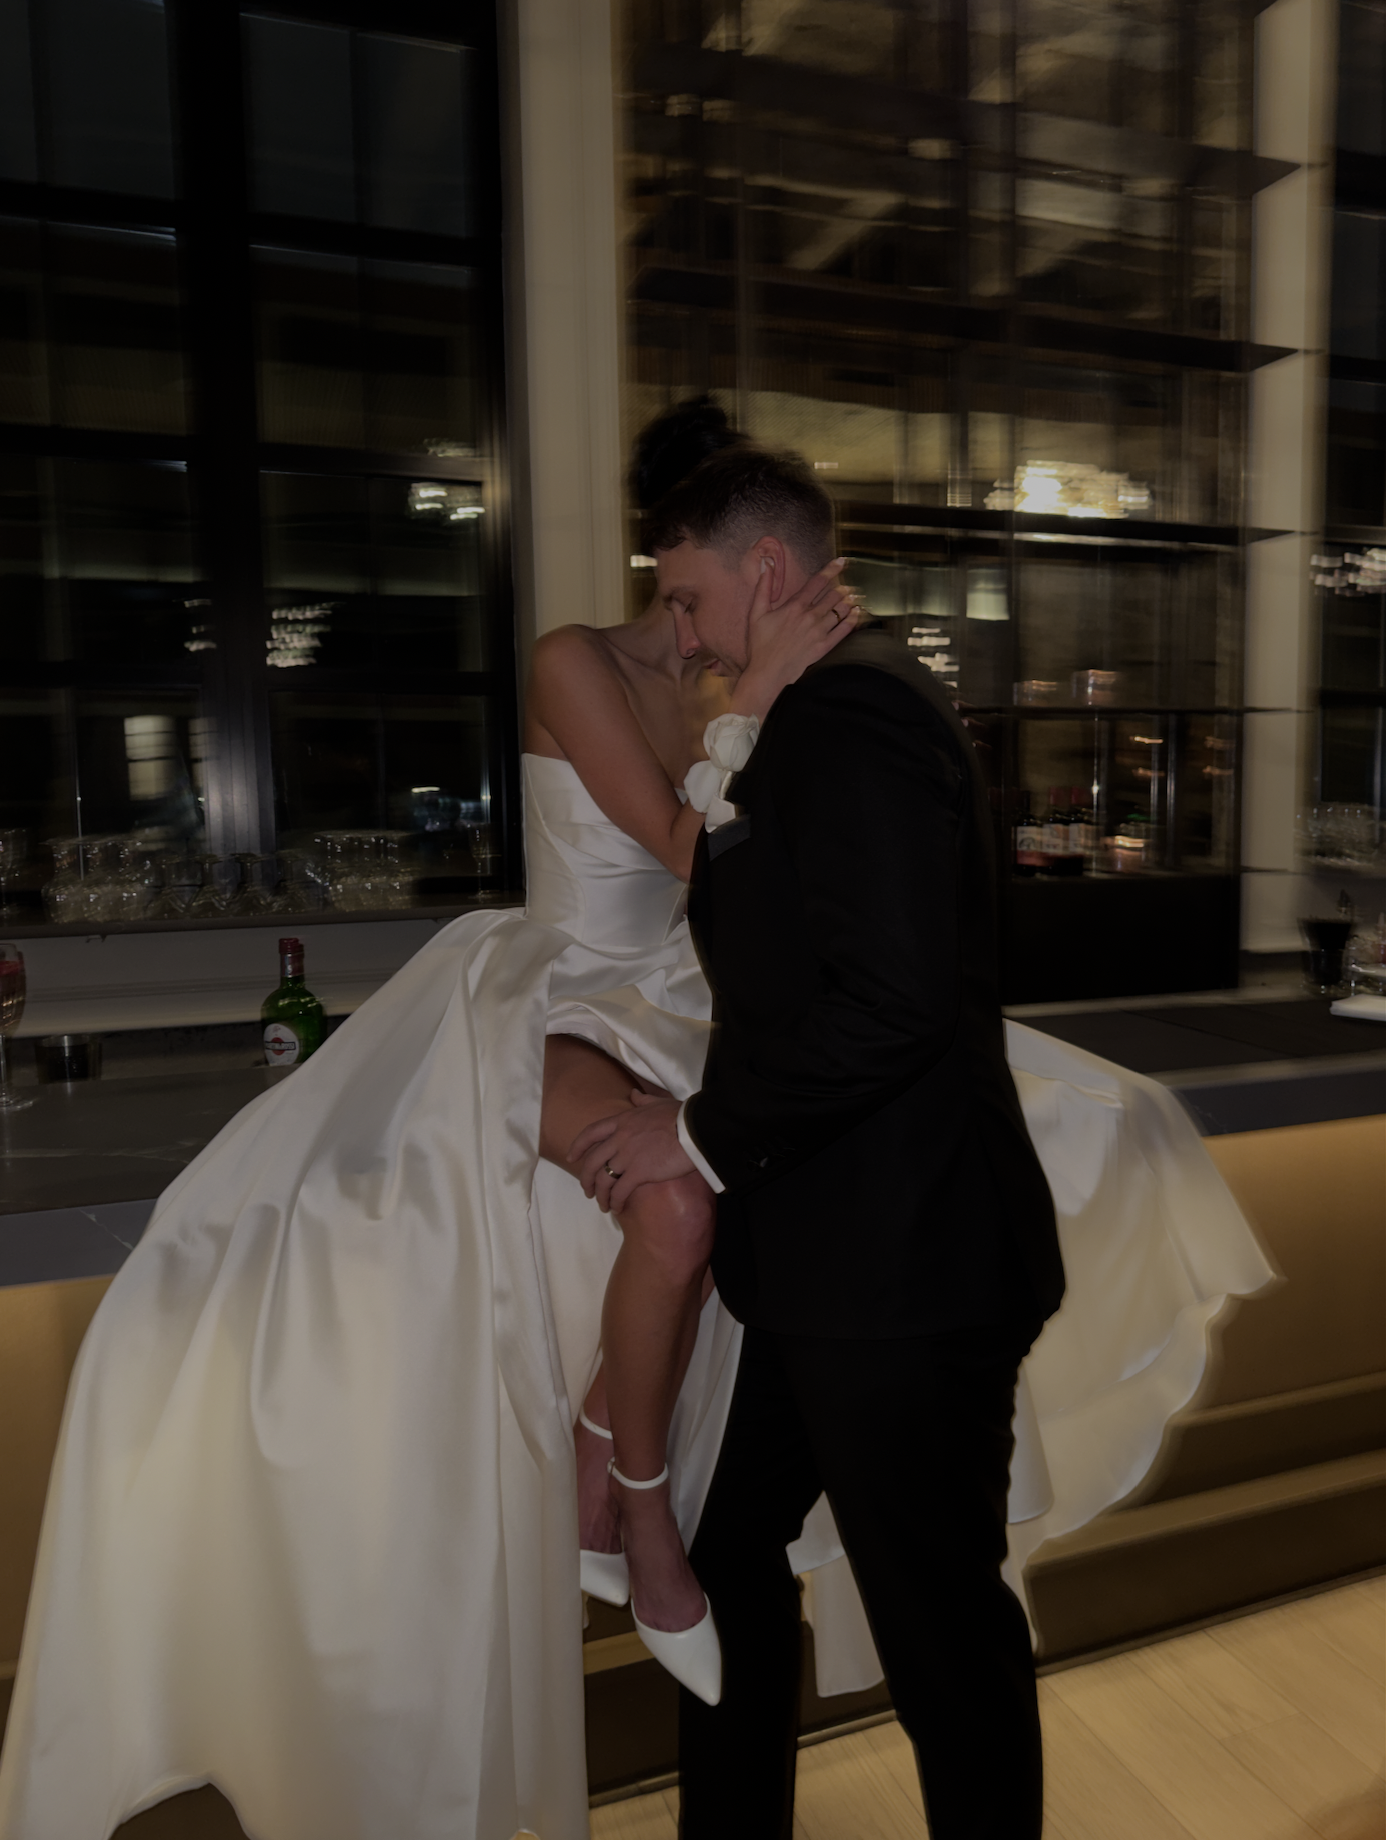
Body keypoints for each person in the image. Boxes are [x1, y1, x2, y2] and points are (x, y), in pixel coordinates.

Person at [0, 402, 859, 1840]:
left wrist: (767, 721)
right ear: (689, 571)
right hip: (554, 994)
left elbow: (767, 885)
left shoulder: (726, 688)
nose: (711, 621)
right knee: (676, 1203)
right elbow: (680, 851)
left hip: (678, 1003)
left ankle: (603, 1459)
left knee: (774, 1190)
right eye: (697, 593)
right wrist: (760, 707)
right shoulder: (576, 664)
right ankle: (635, 1512)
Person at [571, 443, 1065, 1840]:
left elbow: (894, 1007)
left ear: (765, 571)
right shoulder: (814, 709)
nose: (679, 629)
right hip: (821, 1267)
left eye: (685, 595)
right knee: (730, 1553)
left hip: (905, 1274)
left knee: (939, 1636)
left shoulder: (855, 718)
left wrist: (697, 1133)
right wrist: (754, 717)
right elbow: (763, 936)